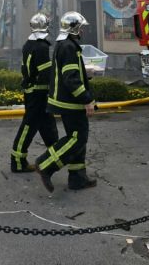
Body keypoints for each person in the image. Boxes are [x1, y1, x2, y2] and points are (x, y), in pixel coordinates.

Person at [35, 11, 97, 192]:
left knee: (78, 138)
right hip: (71, 103)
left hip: (67, 101)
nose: (83, 31)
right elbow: (70, 78)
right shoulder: (69, 47)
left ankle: (78, 179)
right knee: (78, 138)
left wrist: (87, 74)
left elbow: (70, 73)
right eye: (81, 28)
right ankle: (45, 164)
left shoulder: (65, 45)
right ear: (74, 28)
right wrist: (86, 99)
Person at [10, 13, 60, 173]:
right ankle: (18, 162)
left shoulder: (29, 43)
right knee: (29, 127)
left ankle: (56, 157)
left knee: (48, 125)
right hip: (38, 94)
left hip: (34, 92)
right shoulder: (42, 46)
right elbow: (45, 73)